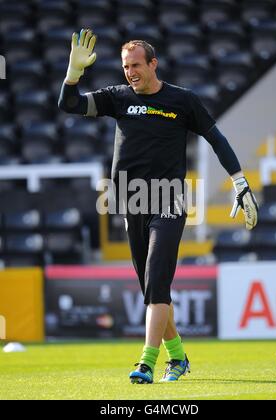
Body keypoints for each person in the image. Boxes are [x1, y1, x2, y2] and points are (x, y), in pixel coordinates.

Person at [58, 29, 258, 384]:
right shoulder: (117, 98)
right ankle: (178, 356)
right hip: (131, 201)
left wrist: (239, 180)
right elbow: (69, 105)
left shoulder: (183, 101)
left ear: (153, 64)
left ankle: (147, 362)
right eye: (125, 66)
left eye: (136, 65)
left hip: (170, 198)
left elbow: (217, 138)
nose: (130, 72)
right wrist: (73, 75)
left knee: (157, 280)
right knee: (152, 287)